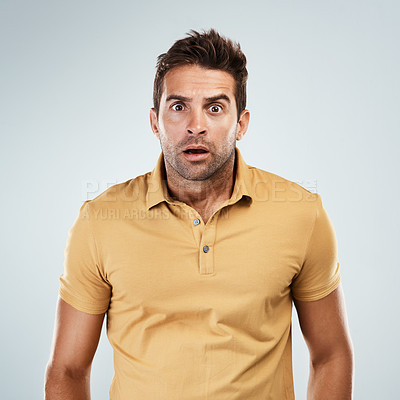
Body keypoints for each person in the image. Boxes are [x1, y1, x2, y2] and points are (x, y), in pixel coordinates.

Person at [45, 29, 354, 399]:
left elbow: (331, 354)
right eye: (178, 107)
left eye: (215, 107)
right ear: (155, 122)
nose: (196, 125)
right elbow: (67, 369)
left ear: (241, 123)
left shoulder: (302, 215)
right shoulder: (99, 221)